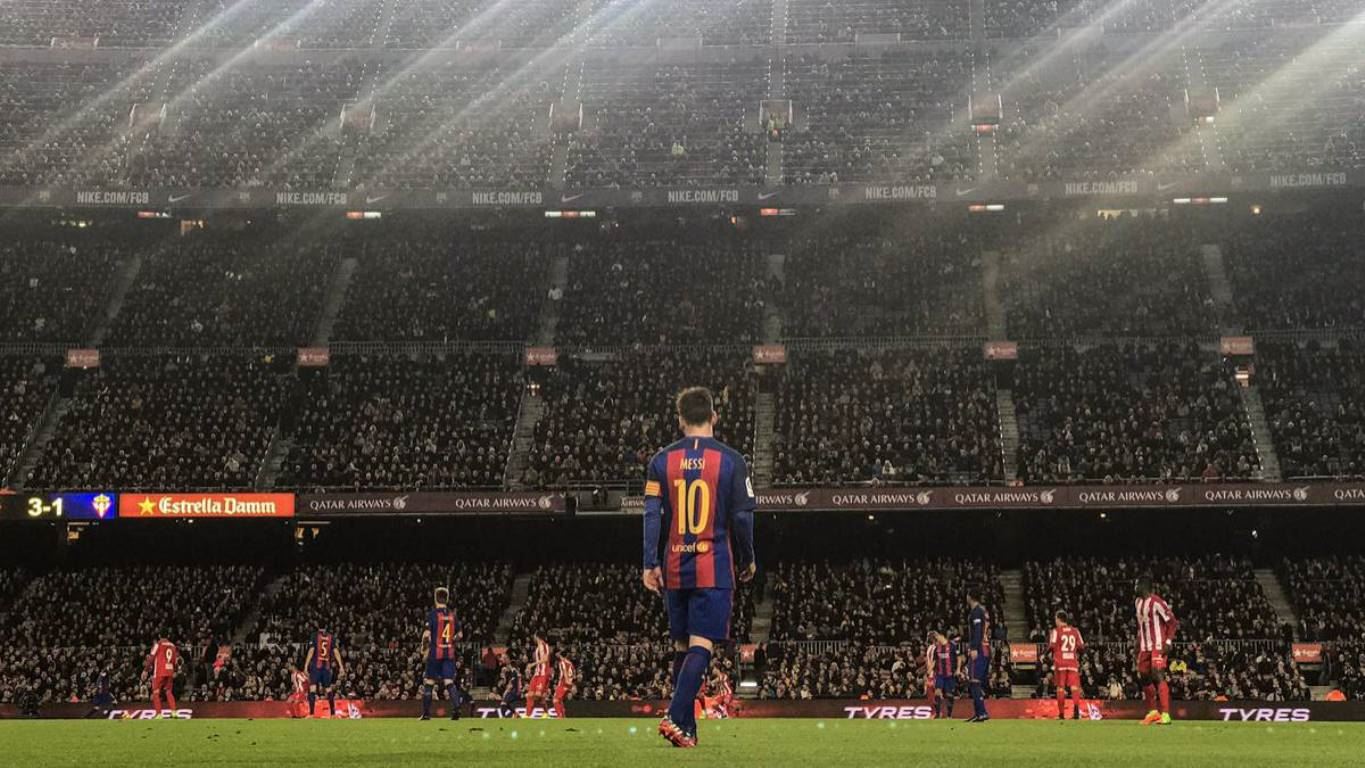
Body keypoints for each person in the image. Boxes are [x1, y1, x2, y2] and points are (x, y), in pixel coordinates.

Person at [643, 386, 757, 749]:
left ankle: (687, 730)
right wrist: (748, 557)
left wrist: (649, 563)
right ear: (714, 417)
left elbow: (651, 514)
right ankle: (675, 715)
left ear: (680, 420)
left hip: (675, 564)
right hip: (713, 564)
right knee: (702, 646)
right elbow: (742, 517)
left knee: (683, 646)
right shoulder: (732, 460)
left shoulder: (661, 461)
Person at [1135, 576, 1180, 726]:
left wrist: (1168, 641)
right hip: (1145, 646)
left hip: (1158, 645)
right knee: (1144, 676)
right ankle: (1153, 712)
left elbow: (1173, 622)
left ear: (1144, 586)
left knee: (1157, 674)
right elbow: (1141, 626)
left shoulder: (1157, 602)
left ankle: (1165, 714)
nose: (1135, 587)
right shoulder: (1137, 603)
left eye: (1137, 584)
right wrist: (1137, 645)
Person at [419, 586, 463, 721]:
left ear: (435, 599)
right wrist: (451, 642)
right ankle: (456, 709)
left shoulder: (433, 614)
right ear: (447, 599)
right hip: (448, 653)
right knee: (449, 681)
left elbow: (427, 635)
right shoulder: (452, 615)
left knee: (429, 682)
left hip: (435, 652)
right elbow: (460, 635)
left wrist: (424, 649)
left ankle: (426, 714)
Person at [1050, 611, 1086, 720]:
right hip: (1072, 662)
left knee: (1060, 688)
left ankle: (1061, 714)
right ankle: (1076, 712)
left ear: (1058, 619)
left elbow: (1052, 645)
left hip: (1060, 662)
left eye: (1056, 619)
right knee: (1074, 686)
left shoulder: (1056, 631)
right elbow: (1082, 646)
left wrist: (1044, 655)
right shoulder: (1075, 631)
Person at [303, 626, 345, 718]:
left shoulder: (315, 635)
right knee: (328, 689)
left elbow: (311, 650)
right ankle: (333, 714)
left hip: (316, 667)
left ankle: (311, 714)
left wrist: (306, 665)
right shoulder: (331, 637)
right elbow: (336, 651)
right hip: (326, 667)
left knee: (313, 688)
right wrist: (341, 666)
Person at [965, 592, 991, 723]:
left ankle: (981, 713)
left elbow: (978, 630)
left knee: (974, 681)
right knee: (975, 682)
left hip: (980, 649)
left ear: (970, 597)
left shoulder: (976, 612)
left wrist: (974, 647)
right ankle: (978, 713)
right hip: (985, 648)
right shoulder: (983, 611)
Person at [142, 635, 181, 716]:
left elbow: (151, 658)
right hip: (169, 671)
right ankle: (174, 712)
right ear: (168, 636)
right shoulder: (172, 645)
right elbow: (175, 660)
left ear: (159, 635)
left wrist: (145, 670)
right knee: (169, 692)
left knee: (156, 692)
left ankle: (159, 714)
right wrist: (176, 670)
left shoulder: (158, 644)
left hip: (159, 671)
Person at [929, 630, 960, 719]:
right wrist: (930, 669)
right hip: (940, 674)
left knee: (949, 695)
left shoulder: (952, 645)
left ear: (942, 636)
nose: (936, 639)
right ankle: (937, 714)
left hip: (950, 674)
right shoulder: (937, 648)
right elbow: (934, 661)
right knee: (937, 693)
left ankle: (949, 715)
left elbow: (959, 657)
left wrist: (958, 669)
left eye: (937, 637)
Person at [525, 634, 552, 717]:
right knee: (530, 695)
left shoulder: (544, 645)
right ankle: (528, 715)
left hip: (543, 674)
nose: (534, 638)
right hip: (537, 673)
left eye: (534, 636)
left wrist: (533, 664)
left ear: (537, 637)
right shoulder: (538, 647)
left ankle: (545, 713)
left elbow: (545, 659)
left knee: (538, 696)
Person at [553, 652, 576, 719]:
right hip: (569, 683)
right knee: (560, 700)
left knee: (555, 699)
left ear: (561, 656)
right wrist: (572, 684)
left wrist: (566, 681)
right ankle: (563, 716)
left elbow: (564, 671)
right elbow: (574, 674)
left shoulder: (562, 662)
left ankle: (559, 716)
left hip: (563, 683)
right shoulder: (570, 663)